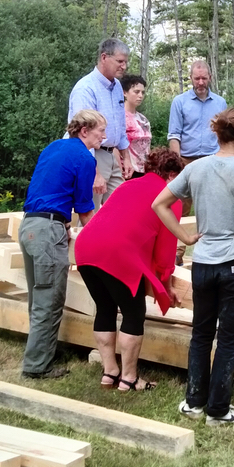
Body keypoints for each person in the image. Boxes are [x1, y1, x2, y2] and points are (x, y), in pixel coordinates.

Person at [153, 108, 234, 426]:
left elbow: (159, 204)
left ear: (217, 134)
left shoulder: (196, 168)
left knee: (201, 333)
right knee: (227, 339)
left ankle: (194, 402)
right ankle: (219, 411)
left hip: (204, 263)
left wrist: (185, 234)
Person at [74, 147, 199, 392]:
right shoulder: (167, 198)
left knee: (105, 308)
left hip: (86, 248)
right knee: (133, 313)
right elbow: (165, 253)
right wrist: (165, 286)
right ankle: (129, 378)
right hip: (116, 254)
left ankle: (110, 373)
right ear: (173, 176)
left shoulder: (126, 185)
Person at [19, 109, 105, 379]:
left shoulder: (53, 147)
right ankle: (37, 366)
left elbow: (48, 190)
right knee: (49, 300)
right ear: (84, 131)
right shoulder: (84, 157)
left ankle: (41, 354)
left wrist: (63, 225)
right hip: (47, 232)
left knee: (38, 297)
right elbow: (85, 210)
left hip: (30, 225)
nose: (104, 135)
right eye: (100, 130)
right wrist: (105, 241)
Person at [69, 37, 132, 209]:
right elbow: (82, 136)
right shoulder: (86, 89)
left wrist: (126, 157)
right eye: (119, 61)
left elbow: (120, 125)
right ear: (104, 57)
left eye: (126, 62)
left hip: (112, 156)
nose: (124, 66)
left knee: (121, 209)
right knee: (90, 213)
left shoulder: (117, 86)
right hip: (92, 156)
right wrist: (94, 172)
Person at [167, 61, 228, 167]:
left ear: (210, 77)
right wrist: (177, 165)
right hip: (186, 161)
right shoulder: (179, 102)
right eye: (197, 78)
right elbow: (174, 135)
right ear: (191, 78)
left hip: (213, 161)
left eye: (204, 78)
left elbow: (225, 135)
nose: (200, 82)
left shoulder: (220, 103)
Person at [122, 74, 153, 178]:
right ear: (124, 92)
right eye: (136, 92)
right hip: (127, 170)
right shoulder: (119, 117)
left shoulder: (144, 120)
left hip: (145, 170)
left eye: (142, 92)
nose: (140, 95)